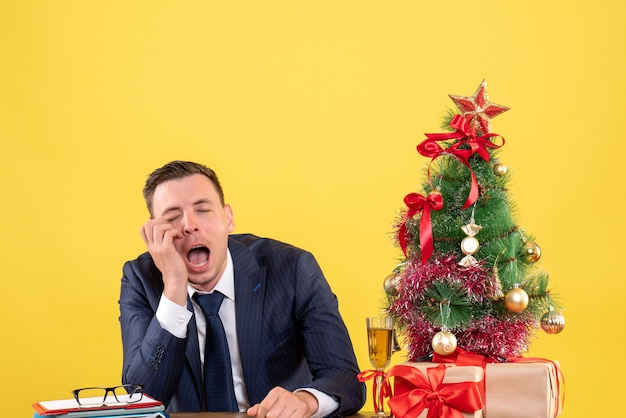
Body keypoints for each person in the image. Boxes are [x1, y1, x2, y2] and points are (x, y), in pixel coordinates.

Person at [119, 160, 366, 417]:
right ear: (154, 232)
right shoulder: (140, 279)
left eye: (203, 210)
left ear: (228, 218)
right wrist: (174, 289)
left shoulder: (292, 268)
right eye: (172, 218)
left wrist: (306, 401)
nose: (189, 225)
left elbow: (346, 377)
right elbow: (141, 399)